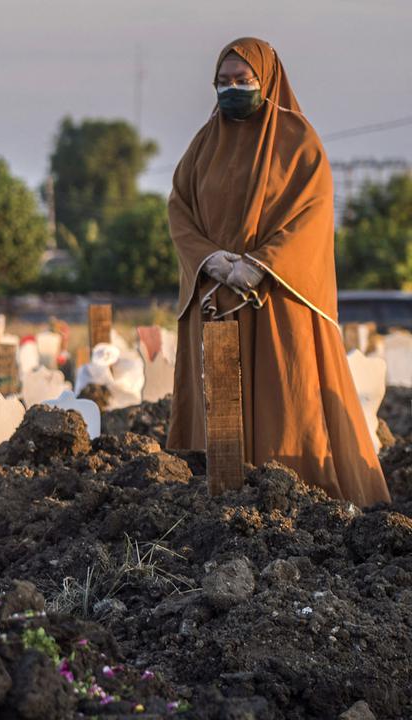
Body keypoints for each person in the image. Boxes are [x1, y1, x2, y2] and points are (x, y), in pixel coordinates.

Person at [167, 37, 390, 506]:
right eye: (223, 81)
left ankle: (304, 504)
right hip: (216, 295)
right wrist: (212, 259)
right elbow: (180, 210)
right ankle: (223, 503)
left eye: (242, 80)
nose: (232, 89)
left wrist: (262, 264)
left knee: (289, 401)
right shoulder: (203, 144)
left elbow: (311, 212)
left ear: (266, 80)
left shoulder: (298, 141)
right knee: (219, 420)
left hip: (276, 299)